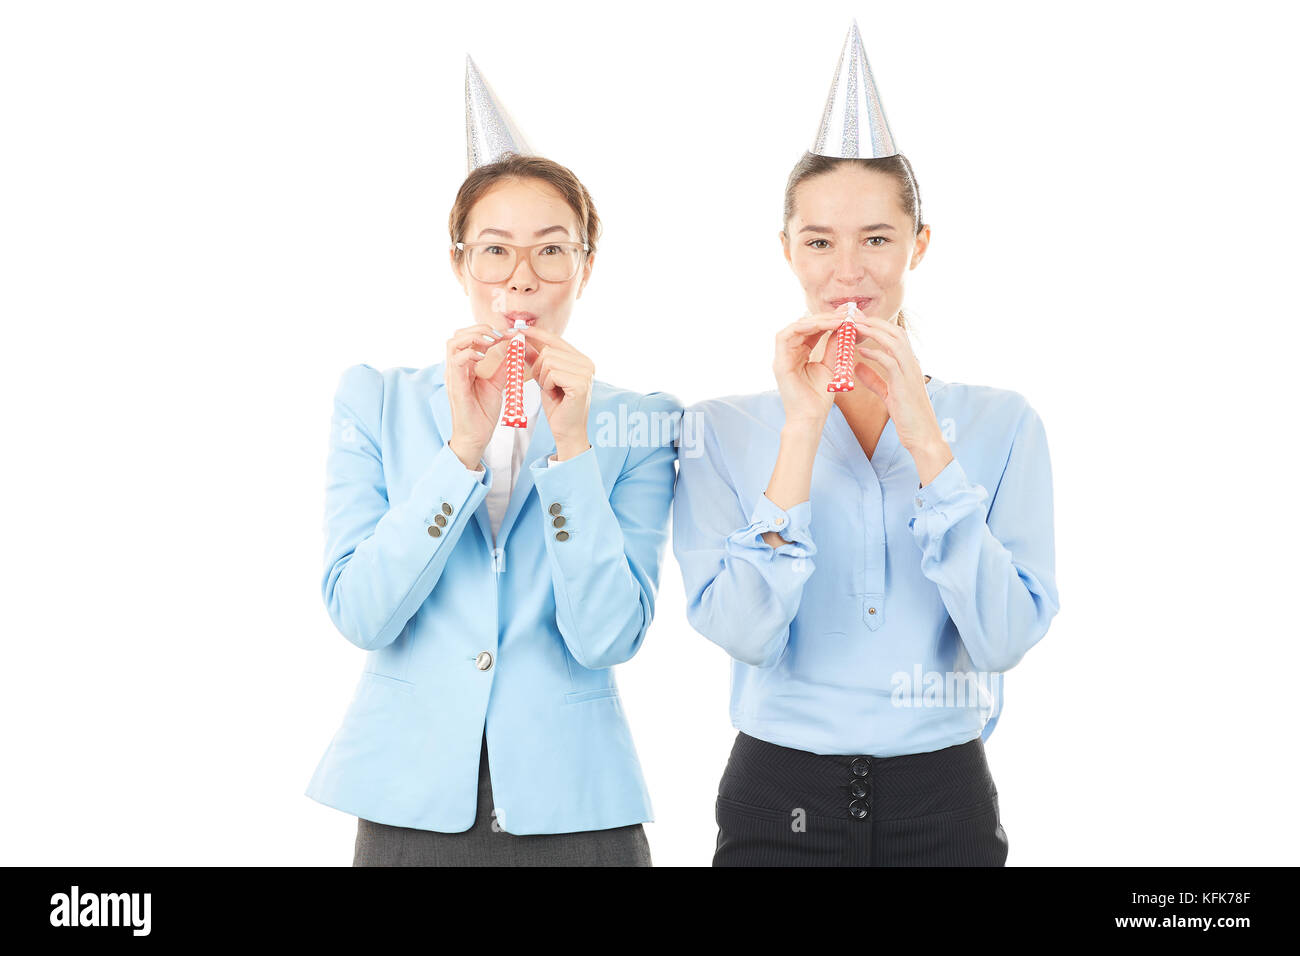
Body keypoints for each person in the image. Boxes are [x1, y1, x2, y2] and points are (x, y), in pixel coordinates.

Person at [671, 22, 1060, 866]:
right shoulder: (717, 429)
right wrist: (802, 429)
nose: (848, 272)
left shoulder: (1003, 425)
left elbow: (1002, 640)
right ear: (788, 252)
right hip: (778, 797)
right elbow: (743, 632)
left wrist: (923, 434)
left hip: (944, 796)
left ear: (919, 245)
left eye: (877, 238)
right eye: (819, 241)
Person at [305, 57, 680, 866]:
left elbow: (610, 637)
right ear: (458, 263)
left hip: (578, 808)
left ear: (586, 265)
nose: (522, 280)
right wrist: (462, 448)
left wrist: (575, 448)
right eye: (495, 251)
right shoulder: (374, 400)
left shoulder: (640, 424)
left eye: (551, 251)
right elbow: (361, 613)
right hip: (410, 802)